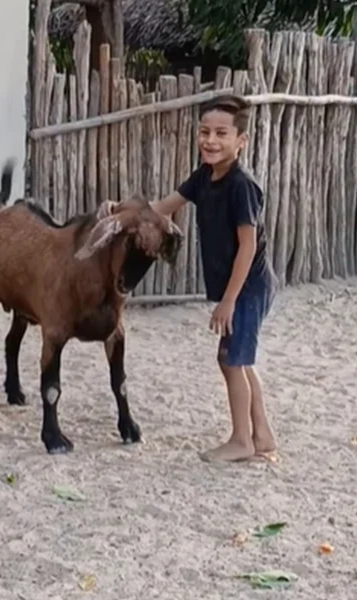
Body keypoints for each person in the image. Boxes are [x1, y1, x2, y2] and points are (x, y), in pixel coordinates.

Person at [108, 95, 277, 462]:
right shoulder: (204, 176)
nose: (211, 141)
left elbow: (247, 247)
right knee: (238, 359)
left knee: (232, 361)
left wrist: (229, 300)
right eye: (204, 132)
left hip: (249, 284)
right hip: (240, 285)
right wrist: (122, 211)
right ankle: (261, 433)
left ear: (240, 141)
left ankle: (241, 441)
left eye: (221, 133)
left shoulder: (241, 186)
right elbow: (161, 208)